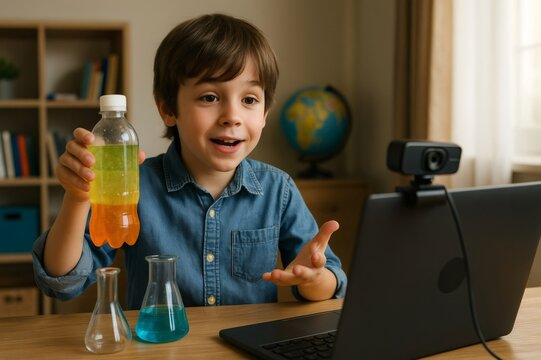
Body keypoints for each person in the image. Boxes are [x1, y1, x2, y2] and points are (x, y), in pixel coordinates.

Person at [32, 13, 347, 309]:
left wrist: (315, 279)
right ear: (169, 109)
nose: (232, 117)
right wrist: (77, 199)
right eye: (210, 97)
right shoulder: (136, 185)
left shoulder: (279, 189)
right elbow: (63, 282)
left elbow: (330, 283)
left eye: (249, 100)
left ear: (264, 115)